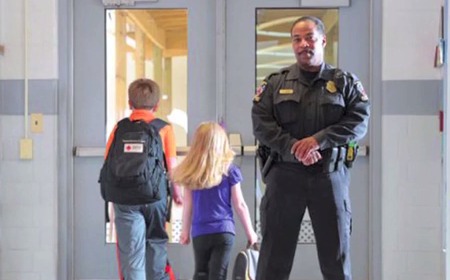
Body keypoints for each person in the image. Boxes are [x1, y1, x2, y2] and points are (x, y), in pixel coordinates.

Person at [251, 16, 370, 280]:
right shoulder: (274, 84)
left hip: (329, 177)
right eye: (297, 39)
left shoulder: (345, 83)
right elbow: (261, 124)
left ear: (323, 41)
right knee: (273, 260)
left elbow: (359, 121)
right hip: (285, 178)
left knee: (336, 260)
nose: (303, 44)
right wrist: (294, 147)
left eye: (310, 38)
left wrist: (318, 141)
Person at [104, 78, 183, 280]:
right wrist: (176, 193)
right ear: (156, 105)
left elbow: (108, 162)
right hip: (155, 197)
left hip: (126, 199)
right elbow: (171, 165)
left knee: (132, 255)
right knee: (156, 244)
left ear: (130, 104)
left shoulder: (119, 128)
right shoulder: (164, 129)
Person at [171, 122, 258, 280]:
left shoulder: (191, 173)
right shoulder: (229, 171)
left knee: (201, 273)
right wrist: (250, 232)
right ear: (222, 144)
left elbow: (188, 206)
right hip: (223, 231)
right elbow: (240, 205)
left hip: (200, 232)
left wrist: (184, 231)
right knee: (218, 275)